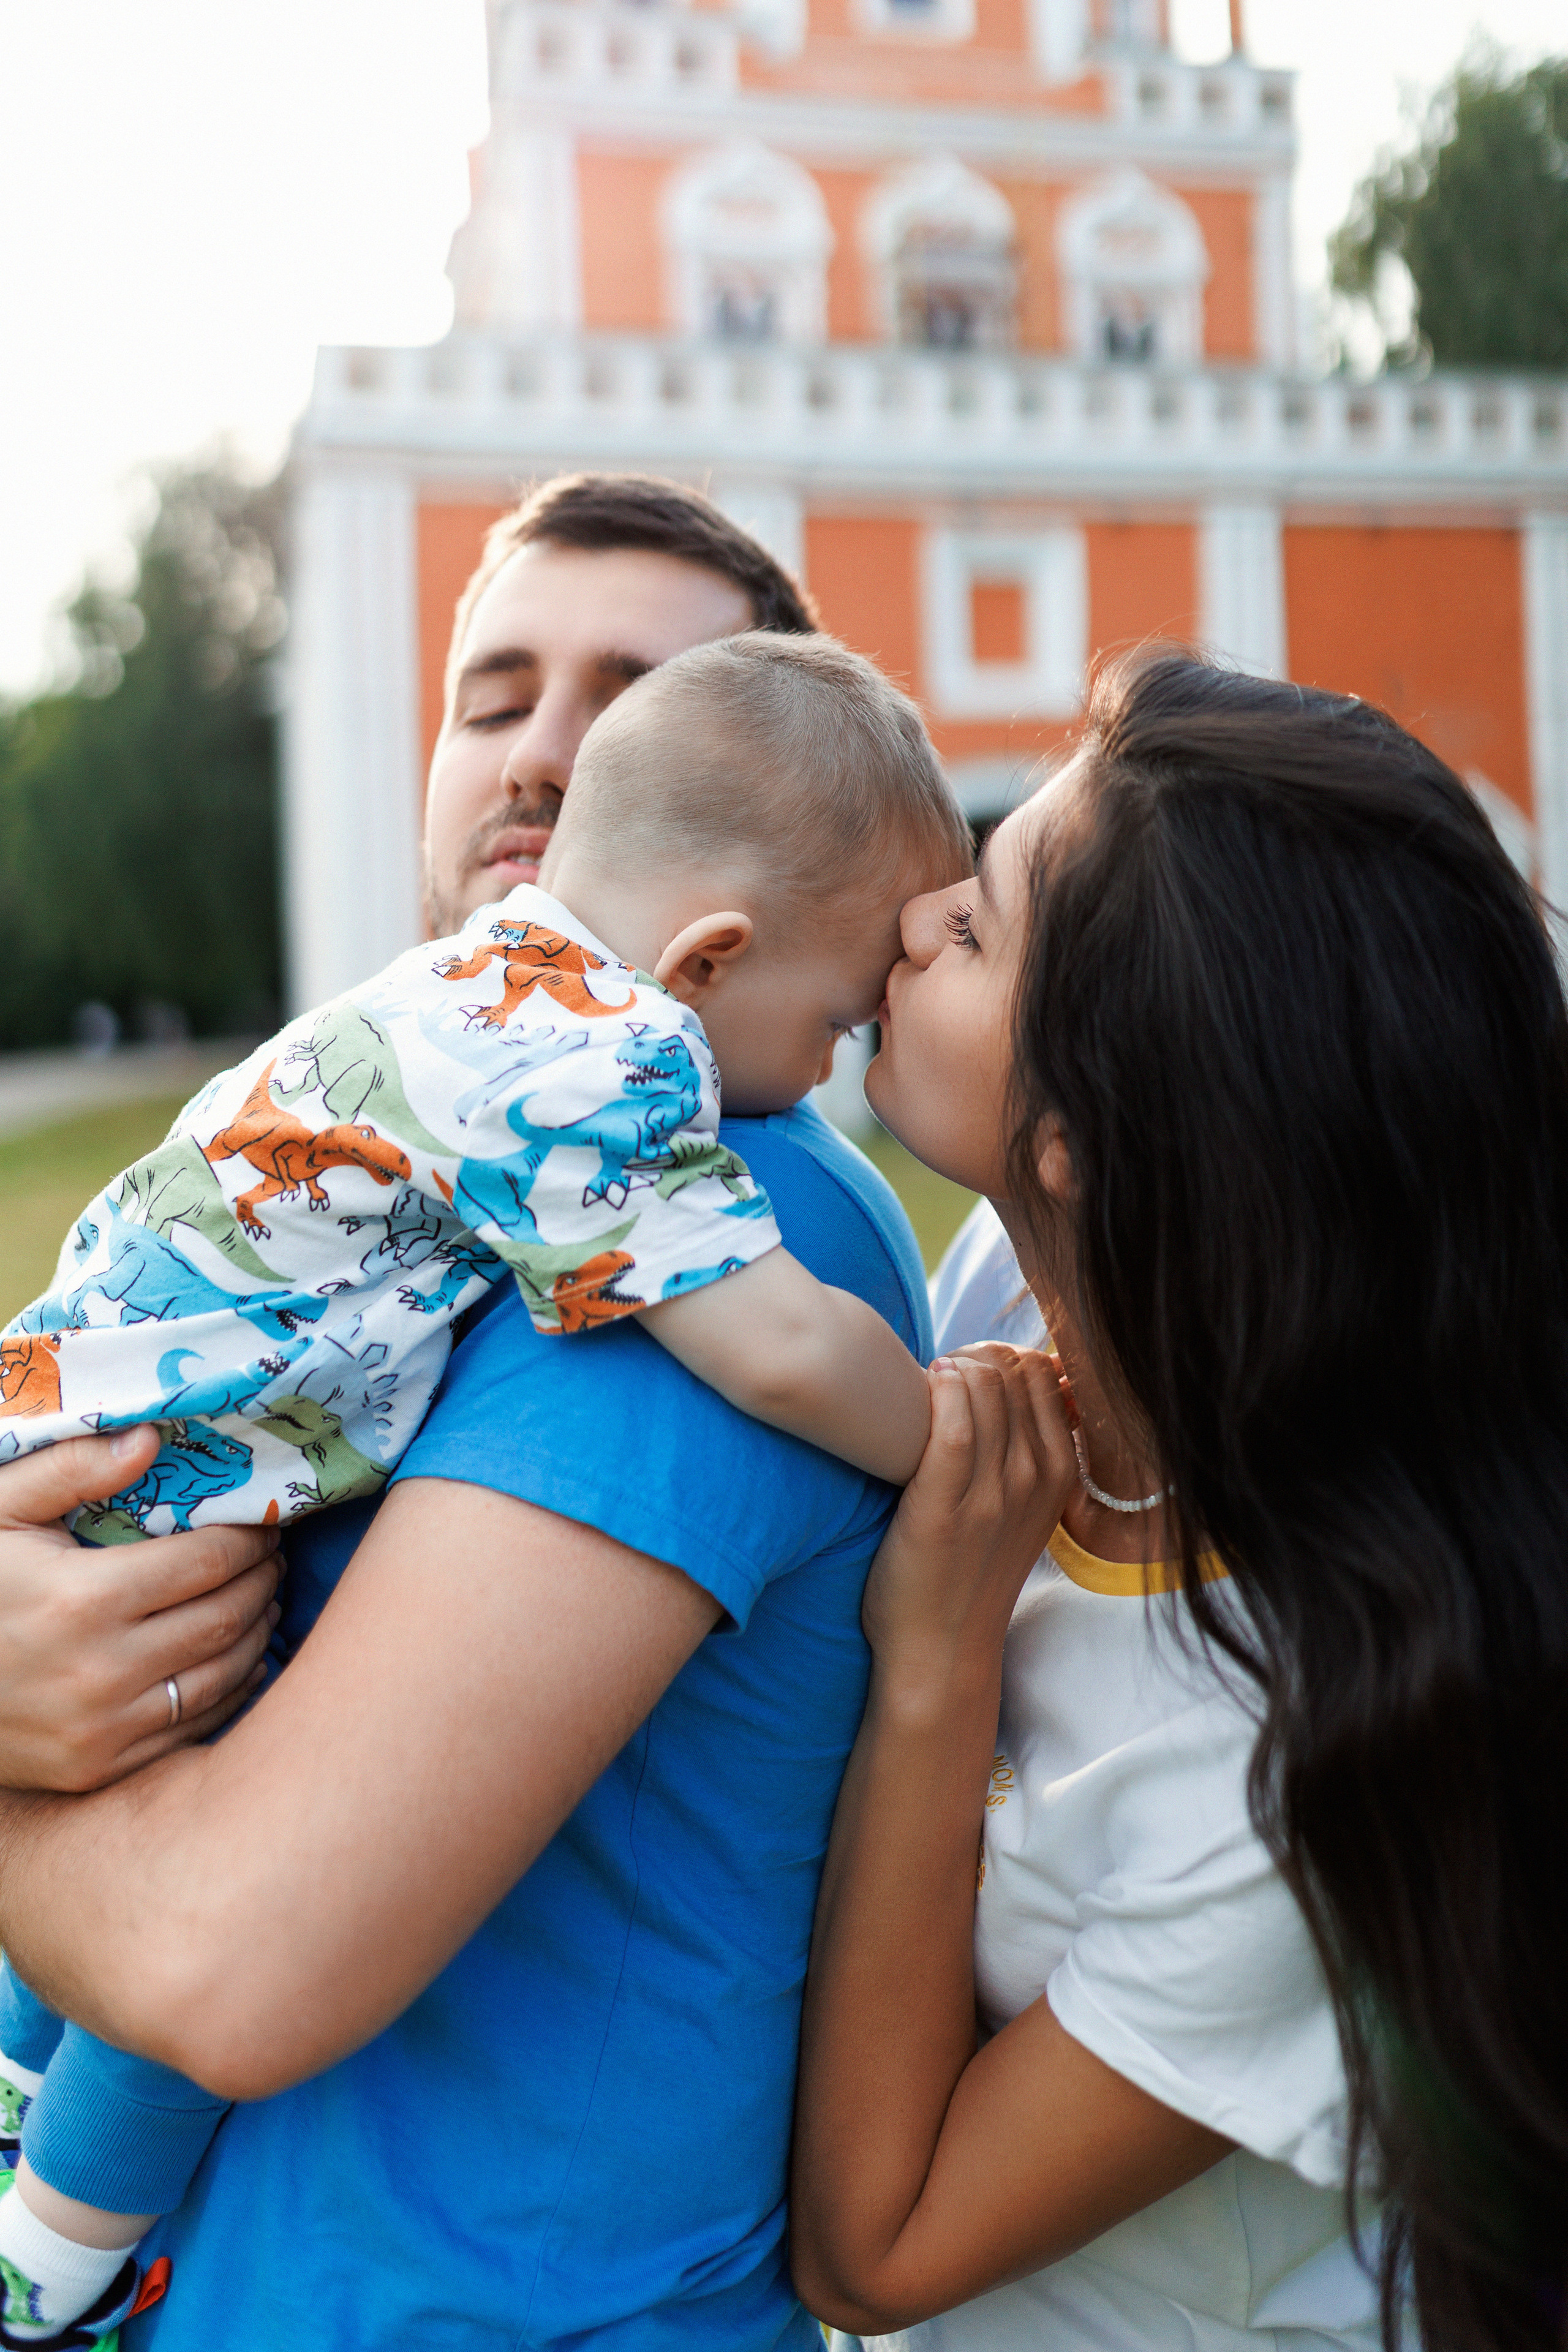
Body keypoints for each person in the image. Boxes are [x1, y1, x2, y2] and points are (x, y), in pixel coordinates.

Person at [0, 474, 955, 2350]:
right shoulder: (443, 1144)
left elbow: (227, 1949)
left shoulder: (736, 1197)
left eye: (638, 697)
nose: (544, 750)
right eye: (492, 694)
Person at [790, 650, 1568, 2351]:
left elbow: (876, 2248)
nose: (916, 920)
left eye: (975, 928)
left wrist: (942, 1660)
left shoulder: (1296, 1762)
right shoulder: (1025, 1294)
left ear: (1080, 1139)